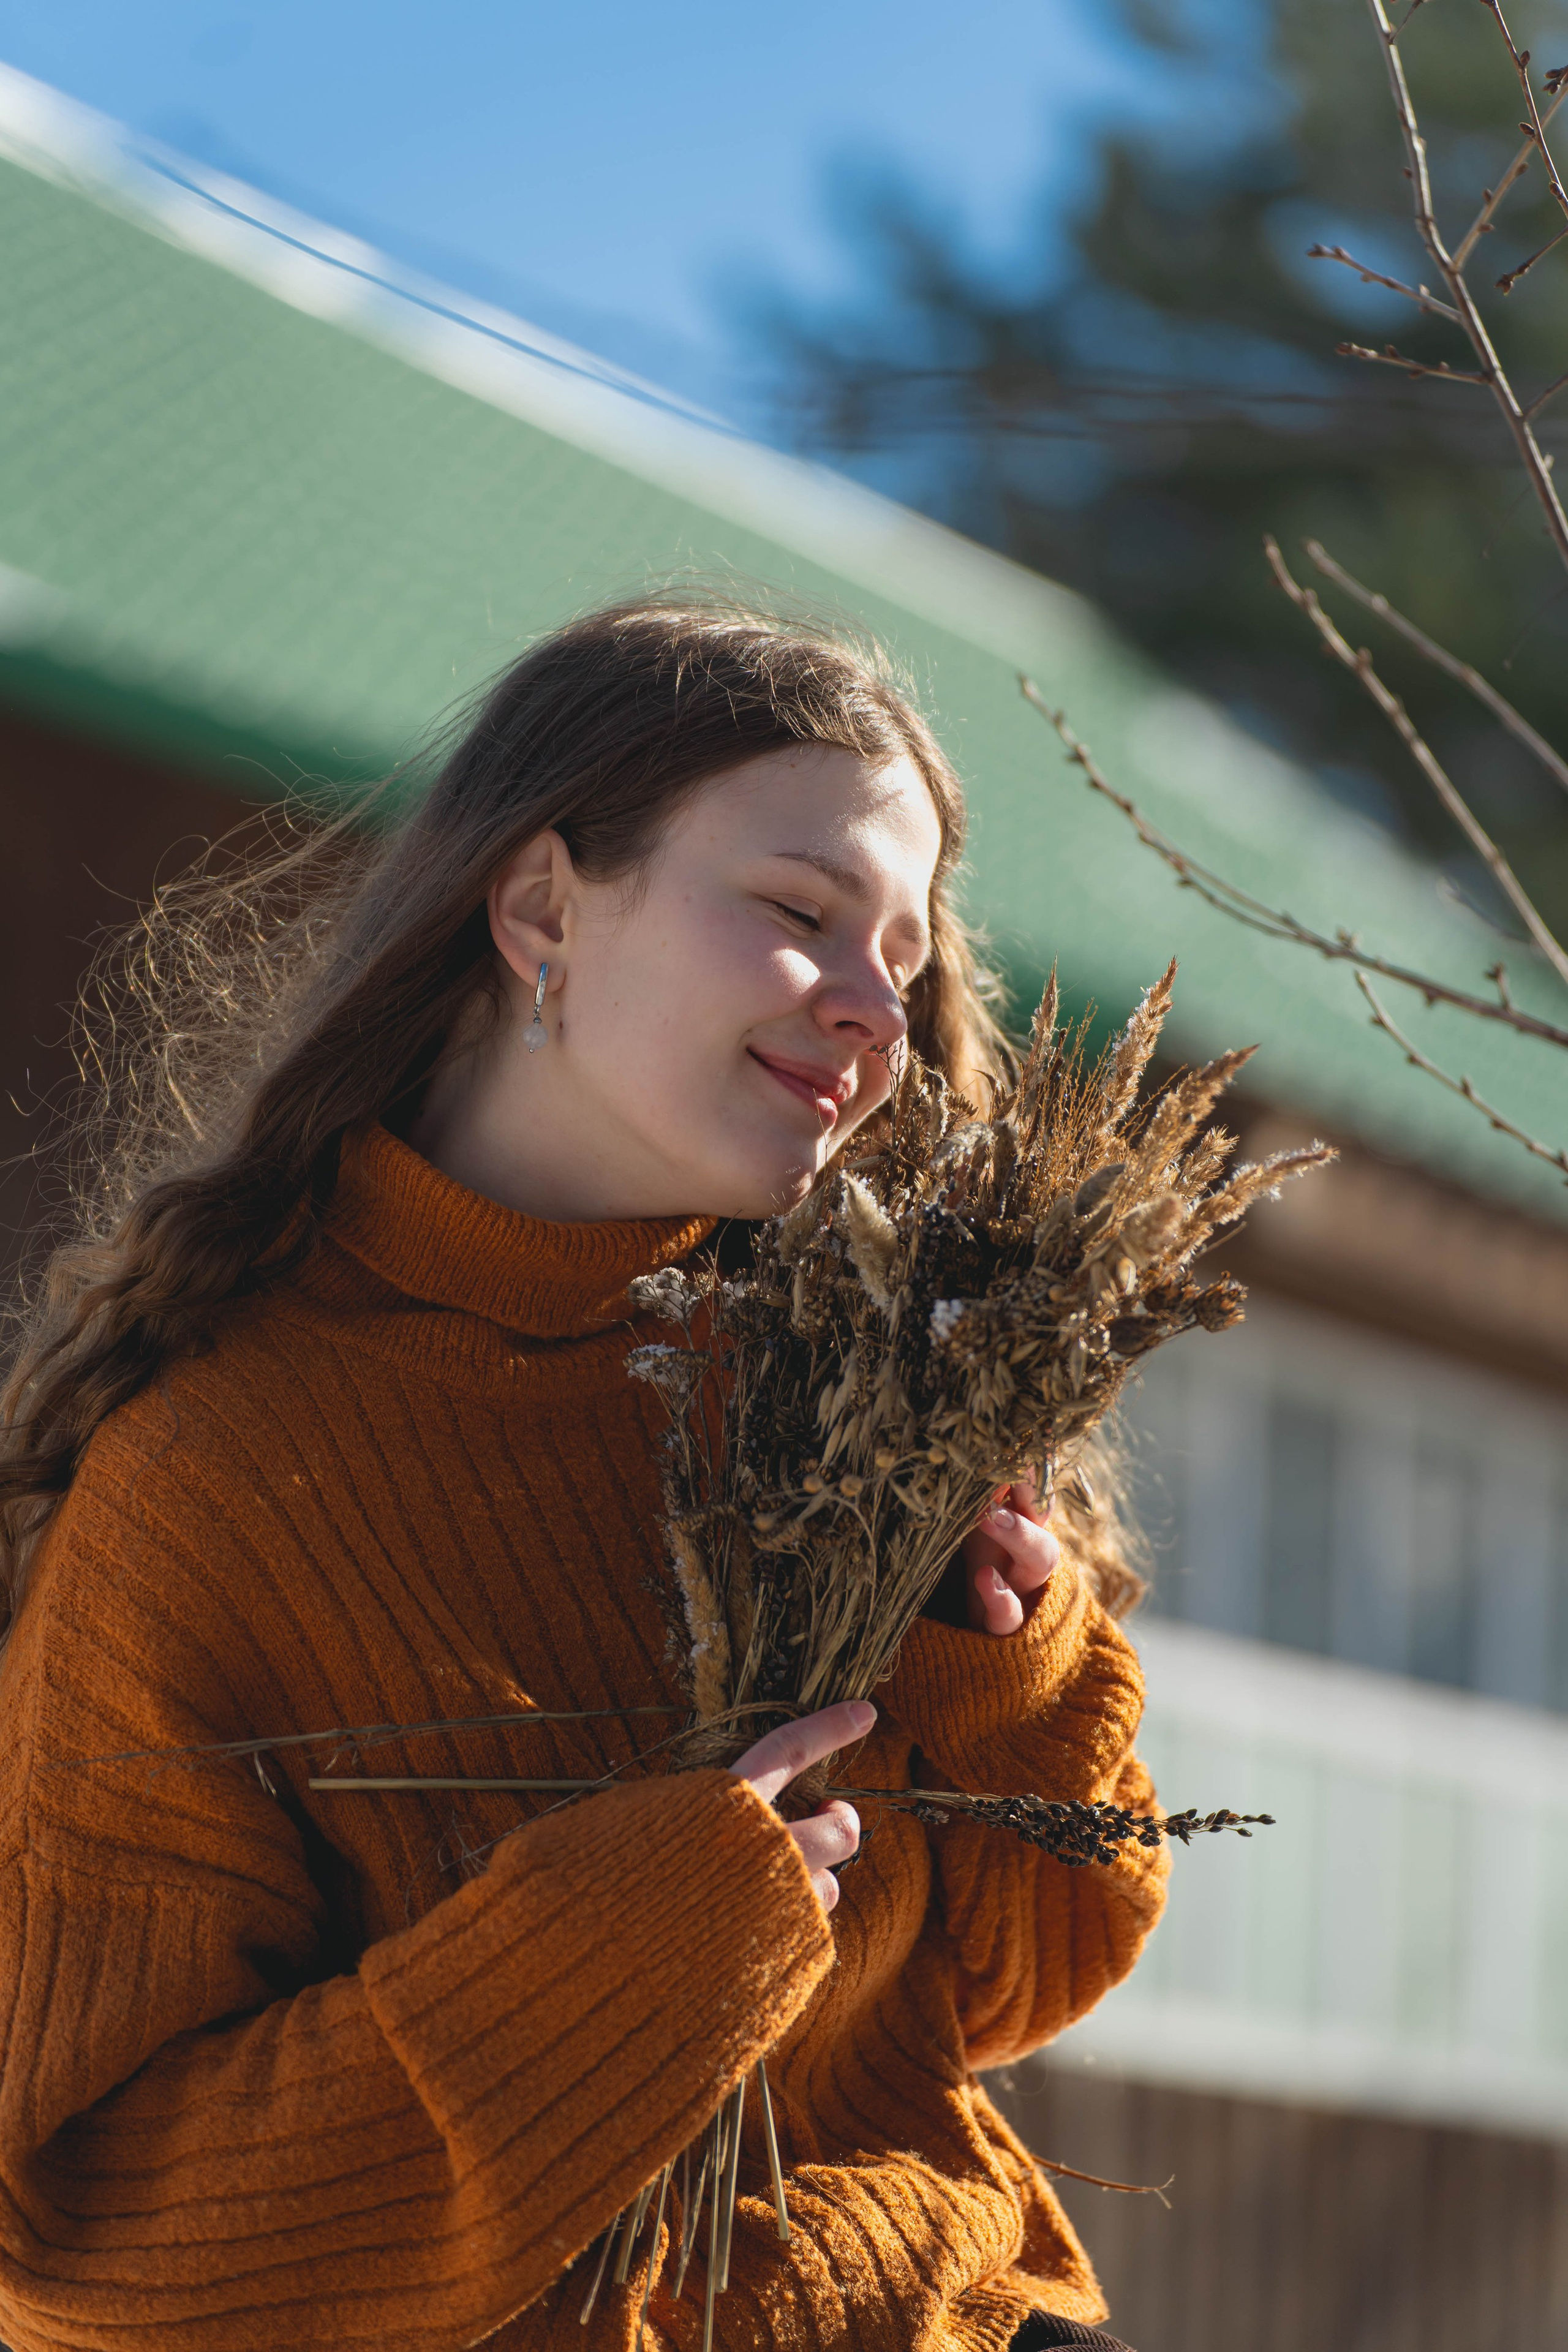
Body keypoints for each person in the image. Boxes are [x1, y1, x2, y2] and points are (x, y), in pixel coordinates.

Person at [0, 596, 1164, 2352]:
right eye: (799, 913)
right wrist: (624, 1955)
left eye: (905, 959)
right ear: (543, 907)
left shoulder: (861, 1395)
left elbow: (1014, 1982)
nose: (875, 1012)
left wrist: (1006, 1669)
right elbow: (90, 2240)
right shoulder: (221, 1481)